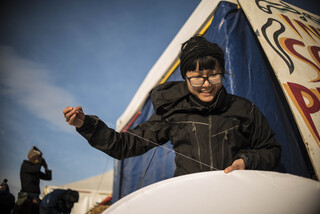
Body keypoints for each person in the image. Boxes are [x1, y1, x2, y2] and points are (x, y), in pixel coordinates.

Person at [63, 35, 281, 177]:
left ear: (222, 73)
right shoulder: (172, 112)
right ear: (185, 77)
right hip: (188, 199)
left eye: (213, 76)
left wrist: (246, 160)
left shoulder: (244, 109)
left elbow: (271, 150)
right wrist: (88, 126)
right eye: (197, 77)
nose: (206, 85)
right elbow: (124, 145)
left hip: (237, 199)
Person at [13, 146, 52, 214]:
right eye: (38, 158)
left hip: (35, 196)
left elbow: (48, 177)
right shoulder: (25, 165)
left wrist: (46, 168)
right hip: (26, 196)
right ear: (31, 157)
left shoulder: (35, 169)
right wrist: (39, 162)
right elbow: (35, 169)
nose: (39, 160)